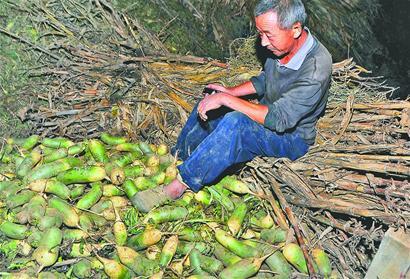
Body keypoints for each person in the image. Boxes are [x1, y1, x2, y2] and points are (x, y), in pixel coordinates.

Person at [131, 0, 332, 213]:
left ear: (295, 29)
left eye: (268, 34)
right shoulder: (280, 49)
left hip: (291, 138)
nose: (263, 43)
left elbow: (280, 119)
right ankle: (179, 156)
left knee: (236, 123)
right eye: (260, 34)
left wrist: (228, 101)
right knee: (213, 99)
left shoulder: (316, 67)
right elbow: (265, 80)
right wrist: (228, 92)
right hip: (269, 116)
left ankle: (179, 185)